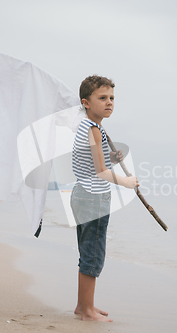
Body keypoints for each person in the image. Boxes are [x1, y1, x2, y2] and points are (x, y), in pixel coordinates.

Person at [70, 75, 139, 322]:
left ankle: (83, 305)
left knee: (86, 251)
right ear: (86, 102)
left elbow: (90, 163)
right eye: (102, 98)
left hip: (81, 194)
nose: (109, 102)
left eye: (111, 98)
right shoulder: (95, 130)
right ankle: (87, 311)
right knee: (93, 254)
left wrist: (111, 158)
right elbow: (100, 173)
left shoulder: (85, 126)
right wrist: (127, 182)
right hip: (94, 198)